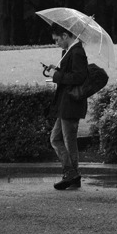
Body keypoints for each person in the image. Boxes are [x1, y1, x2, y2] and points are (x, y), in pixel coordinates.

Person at [43, 25, 89, 190]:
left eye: (57, 39)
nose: (56, 43)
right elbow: (69, 74)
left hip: (71, 103)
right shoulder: (69, 52)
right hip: (65, 103)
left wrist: (58, 76)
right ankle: (71, 173)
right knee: (56, 139)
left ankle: (71, 174)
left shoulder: (77, 52)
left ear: (64, 35)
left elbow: (79, 77)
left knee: (68, 141)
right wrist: (57, 71)